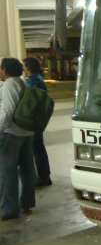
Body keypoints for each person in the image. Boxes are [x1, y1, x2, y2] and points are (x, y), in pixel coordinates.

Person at [0, 57, 36, 220]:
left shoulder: (9, 84)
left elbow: (7, 112)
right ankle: (27, 202)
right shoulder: (23, 83)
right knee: (27, 169)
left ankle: (9, 209)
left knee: (7, 172)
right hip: (27, 133)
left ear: (5, 70)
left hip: (12, 134)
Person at [23, 57, 52, 187]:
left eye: (24, 67)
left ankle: (43, 177)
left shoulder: (32, 82)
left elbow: (29, 102)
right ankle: (45, 176)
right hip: (38, 119)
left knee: (36, 149)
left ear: (28, 68)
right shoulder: (39, 79)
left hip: (33, 120)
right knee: (39, 148)